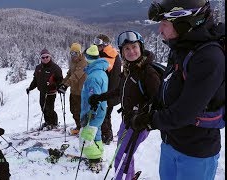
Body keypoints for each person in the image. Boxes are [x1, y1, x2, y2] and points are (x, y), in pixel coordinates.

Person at [129, 0, 225, 179]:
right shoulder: (180, 48)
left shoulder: (209, 58)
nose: (160, 30)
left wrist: (151, 121)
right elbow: (167, 87)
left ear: (184, 24)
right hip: (171, 143)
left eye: (164, 24)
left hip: (196, 153)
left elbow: (184, 113)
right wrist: (151, 106)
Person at [89, 31, 161, 179]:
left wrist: (144, 119)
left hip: (138, 125)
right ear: (122, 52)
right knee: (124, 154)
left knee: (121, 157)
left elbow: (159, 102)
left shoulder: (148, 73)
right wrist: (99, 97)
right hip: (127, 121)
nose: (131, 51)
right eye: (126, 49)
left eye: (134, 47)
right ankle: (129, 175)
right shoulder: (129, 69)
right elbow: (119, 90)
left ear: (141, 47)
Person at [79, 44, 109, 172]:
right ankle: (99, 152)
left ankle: (95, 159)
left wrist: (90, 114)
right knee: (96, 133)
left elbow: (94, 99)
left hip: (93, 112)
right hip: (102, 109)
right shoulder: (101, 71)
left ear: (88, 58)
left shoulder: (93, 77)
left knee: (85, 139)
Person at [93, 34, 122, 145]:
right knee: (106, 114)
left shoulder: (108, 57)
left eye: (98, 45)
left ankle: (107, 135)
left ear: (104, 45)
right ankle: (107, 133)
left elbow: (102, 72)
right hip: (111, 91)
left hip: (108, 92)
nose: (96, 47)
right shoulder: (110, 53)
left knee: (104, 114)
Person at [26, 48, 63, 130]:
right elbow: (35, 80)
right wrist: (30, 88)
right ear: (41, 58)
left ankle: (53, 123)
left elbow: (60, 80)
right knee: (43, 107)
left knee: (49, 109)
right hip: (42, 91)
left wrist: (60, 87)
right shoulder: (38, 68)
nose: (45, 59)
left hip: (51, 92)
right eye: (43, 57)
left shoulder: (55, 68)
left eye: (47, 57)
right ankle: (47, 122)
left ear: (50, 57)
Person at [57, 43, 87, 135]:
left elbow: (76, 76)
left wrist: (66, 85)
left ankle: (82, 128)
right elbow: (69, 74)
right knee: (73, 110)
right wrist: (62, 83)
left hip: (81, 92)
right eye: (72, 53)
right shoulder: (73, 62)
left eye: (76, 53)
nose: (73, 56)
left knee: (80, 111)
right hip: (73, 91)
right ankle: (79, 126)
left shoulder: (83, 62)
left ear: (80, 53)